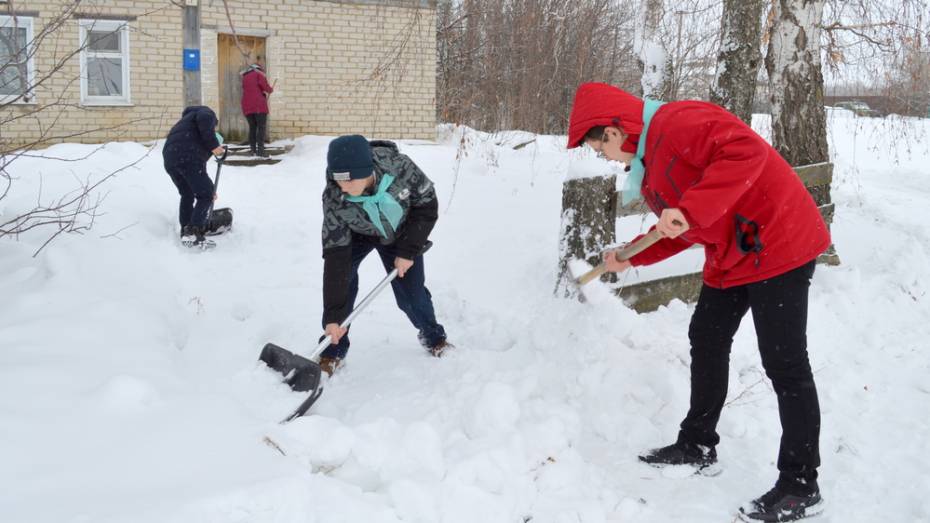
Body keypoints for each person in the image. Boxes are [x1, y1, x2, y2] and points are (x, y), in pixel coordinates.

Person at [567, 82, 831, 522]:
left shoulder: (678, 122)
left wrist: (689, 209)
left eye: (598, 148)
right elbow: (677, 229)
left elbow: (747, 153)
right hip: (733, 253)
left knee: (784, 362)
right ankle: (697, 442)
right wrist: (627, 257)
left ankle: (801, 482)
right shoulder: (651, 170)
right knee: (706, 338)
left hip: (779, 241)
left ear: (613, 131)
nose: (604, 158)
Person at [319, 135, 451, 376]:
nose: (343, 187)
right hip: (357, 234)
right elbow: (336, 258)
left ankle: (434, 338)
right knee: (343, 287)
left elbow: (427, 206)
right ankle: (332, 350)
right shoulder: (335, 198)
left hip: (401, 232)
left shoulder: (400, 168)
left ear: (366, 172)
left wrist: (408, 251)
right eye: (338, 181)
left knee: (412, 295)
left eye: (348, 181)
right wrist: (333, 316)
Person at [163, 105, 225, 248]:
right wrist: (215, 146)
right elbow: (205, 119)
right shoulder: (205, 113)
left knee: (188, 194)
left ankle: (186, 229)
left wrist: (206, 188)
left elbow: (198, 170)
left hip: (170, 159)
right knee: (205, 194)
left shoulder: (186, 126)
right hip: (187, 157)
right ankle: (194, 231)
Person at [240, 63, 273, 157]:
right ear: (258, 69)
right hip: (258, 105)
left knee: (252, 128)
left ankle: (253, 150)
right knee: (261, 128)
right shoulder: (259, 74)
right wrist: (270, 90)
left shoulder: (245, 77)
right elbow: (265, 86)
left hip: (247, 105)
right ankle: (261, 151)